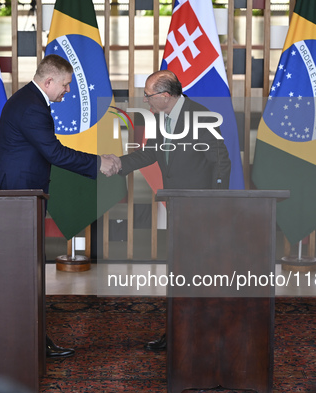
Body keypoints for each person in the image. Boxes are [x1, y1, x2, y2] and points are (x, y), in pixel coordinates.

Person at [0, 54, 118, 358]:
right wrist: (99, 163)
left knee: (23, 272)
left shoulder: (29, 100)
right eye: (66, 85)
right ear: (49, 81)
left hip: (21, 196)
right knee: (20, 273)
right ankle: (24, 343)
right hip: (16, 199)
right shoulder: (32, 106)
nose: (68, 91)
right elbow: (55, 153)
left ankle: (29, 340)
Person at [106, 70, 232, 350]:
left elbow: (222, 162)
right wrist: (119, 164)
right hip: (178, 205)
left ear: (164, 96)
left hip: (200, 209)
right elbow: (152, 152)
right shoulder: (164, 119)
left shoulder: (200, 117)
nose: (145, 100)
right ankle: (180, 331)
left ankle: (202, 334)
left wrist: (216, 203)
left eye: (148, 95)